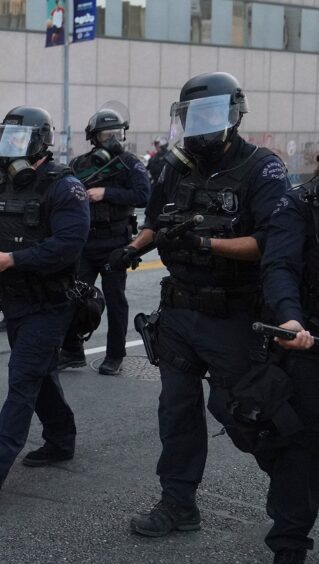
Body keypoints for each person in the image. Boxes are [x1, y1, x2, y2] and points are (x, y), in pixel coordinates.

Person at [110, 72, 290, 538]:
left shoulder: (262, 169)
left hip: (233, 314)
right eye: (192, 117)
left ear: (233, 116)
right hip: (179, 311)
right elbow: (156, 222)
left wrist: (208, 243)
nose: (199, 127)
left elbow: (269, 243)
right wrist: (132, 249)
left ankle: (295, 492)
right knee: (176, 411)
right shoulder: (175, 168)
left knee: (242, 413)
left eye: (208, 116)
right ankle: (178, 503)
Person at [0, 106, 90, 499]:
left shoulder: (65, 186)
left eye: (17, 140)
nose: (8, 149)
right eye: (5, 139)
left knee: (23, 375)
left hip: (50, 303)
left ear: (40, 145)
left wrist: (11, 260)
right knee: (40, 373)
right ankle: (61, 439)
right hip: (13, 301)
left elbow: (67, 245)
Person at [57, 105, 151, 375]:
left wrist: (106, 193)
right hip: (85, 242)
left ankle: (115, 355)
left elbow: (144, 195)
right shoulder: (80, 165)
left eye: (116, 134)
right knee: (75, 297)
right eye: (106, 135)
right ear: (93, 137)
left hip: (115, 242)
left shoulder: (130, 163)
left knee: (115, 300)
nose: (112, 139)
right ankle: (72, 351)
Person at [259, 176, 319, 564]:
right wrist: (290, 317)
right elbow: (279, 264)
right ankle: (289, 543)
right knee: (301, 448)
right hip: (309, 338)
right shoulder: (299, 203)